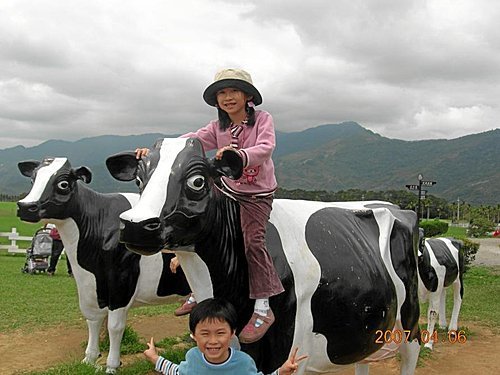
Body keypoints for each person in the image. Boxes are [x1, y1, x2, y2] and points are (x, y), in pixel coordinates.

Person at [136, 68, 284, 343]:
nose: (227, 98)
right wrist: (155, 151)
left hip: (255, 193)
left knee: (253, 241)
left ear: (247, 96)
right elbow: (191, 140)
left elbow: (266, 147)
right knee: (196, 225)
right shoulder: (218, 127)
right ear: (216, 100)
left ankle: (263, 305)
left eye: (233, 91)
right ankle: (199, 290)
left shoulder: (263, 120)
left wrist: (239, 154)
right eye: (222, 93)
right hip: (225, 188)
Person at [143, 298, 307, 374]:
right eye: (205, 334)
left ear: (232, 333)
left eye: (220, 333)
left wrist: (281, 372)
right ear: (193, 335)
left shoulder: (243, 363)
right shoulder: (192, 358)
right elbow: (177, 371)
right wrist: (154, 358)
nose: (213, 341)